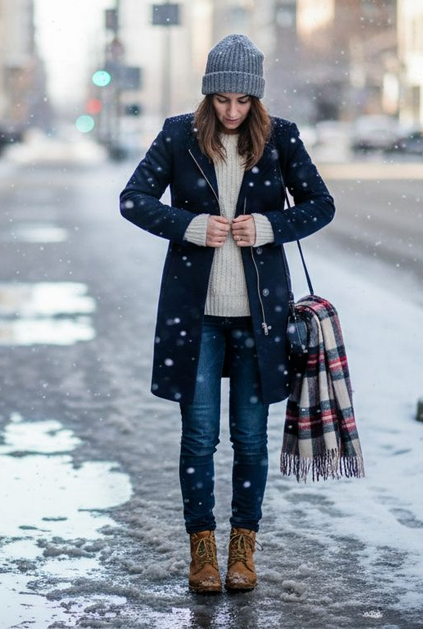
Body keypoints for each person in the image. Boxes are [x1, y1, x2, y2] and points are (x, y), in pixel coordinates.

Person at [118, 34, 335, 594]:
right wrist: (191, 225)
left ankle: (243, 552)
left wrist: (268, 226)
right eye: (222, 100)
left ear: (256, 99)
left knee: (249, 439)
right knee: (198, 440)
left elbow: (321, 204)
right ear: (208, 96)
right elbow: (133, 199)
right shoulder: (179, 136)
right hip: (196, 316)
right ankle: (202, 556)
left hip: (260, 319)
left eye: (243, 101)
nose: (233, 111)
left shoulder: (280, 138)